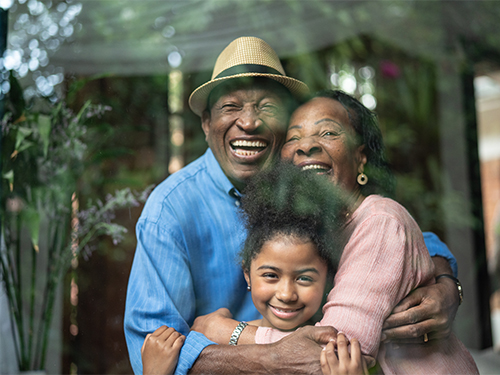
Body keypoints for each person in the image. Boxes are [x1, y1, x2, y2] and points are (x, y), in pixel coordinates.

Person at [124, 36, 461, 375]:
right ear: (207, 122)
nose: (250, 122)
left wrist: (446, 284)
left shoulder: (301, 175)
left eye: (266, 107)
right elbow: (149, 351)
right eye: (231, 106)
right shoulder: (170, 211)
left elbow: (383, 232)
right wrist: (270, 359)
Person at [195, 90, 477, 373]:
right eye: (293, 137)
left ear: (361, 158)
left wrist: (228, 332)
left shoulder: (381, 221)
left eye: (328, 133)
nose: (306, 146)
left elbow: (332, 354)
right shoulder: (314, 230)